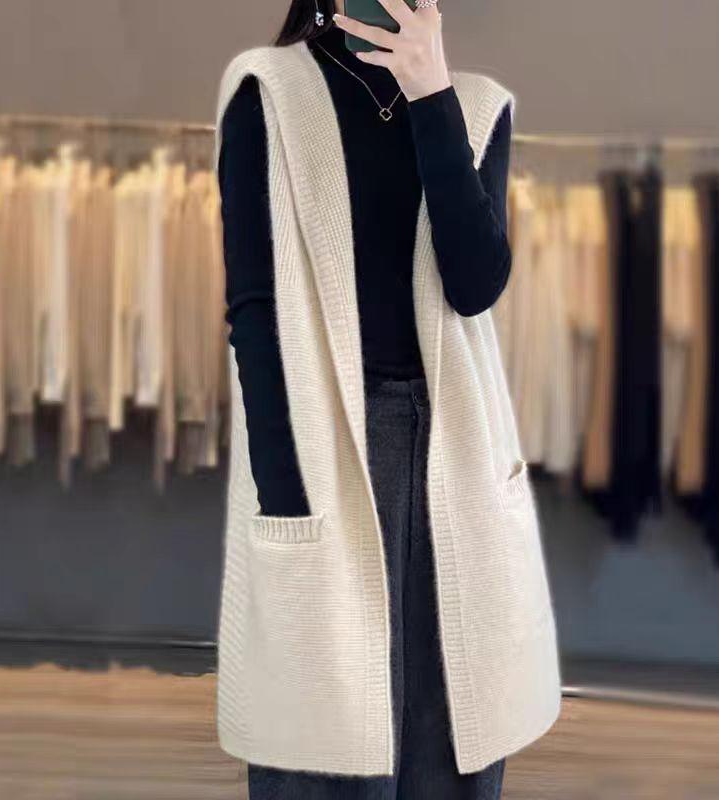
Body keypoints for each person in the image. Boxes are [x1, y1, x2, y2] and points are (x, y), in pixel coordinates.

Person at [214, 1, 562, 798]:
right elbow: (256, 311)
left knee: (452, 733)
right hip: (328, 438)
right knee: (327, 743)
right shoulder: (268, 90)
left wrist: (433, 94)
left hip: (456, 447)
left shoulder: (477, 105)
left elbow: (474, 284)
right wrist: (289, 498)